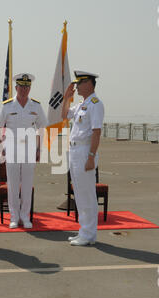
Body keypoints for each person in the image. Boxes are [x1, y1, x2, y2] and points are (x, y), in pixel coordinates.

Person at [0, 73, 48, 229]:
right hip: (11, 148)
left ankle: (25, 216)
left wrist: (39, 149)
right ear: (16, 87)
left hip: (29, 148)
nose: (24, 90)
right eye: (21, 87)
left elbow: (42, 127)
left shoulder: (36, 106)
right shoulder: (7, 105)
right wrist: (1, 146)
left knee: (27, 184)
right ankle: (13, 216)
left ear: (30, 88)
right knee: (12, 184)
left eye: (27, 87)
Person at [61, 71, 105, 246]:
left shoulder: (95, 104)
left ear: (90, 84)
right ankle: (84, 231)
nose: (77, 86)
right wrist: (66, 98)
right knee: (79, 193)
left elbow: (96, 132)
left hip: (85, 151)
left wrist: (91, 157)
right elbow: (65, 115)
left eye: (80, 83)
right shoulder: (82, 104)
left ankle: (88, 234)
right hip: (74, 151)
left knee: (87, 194)